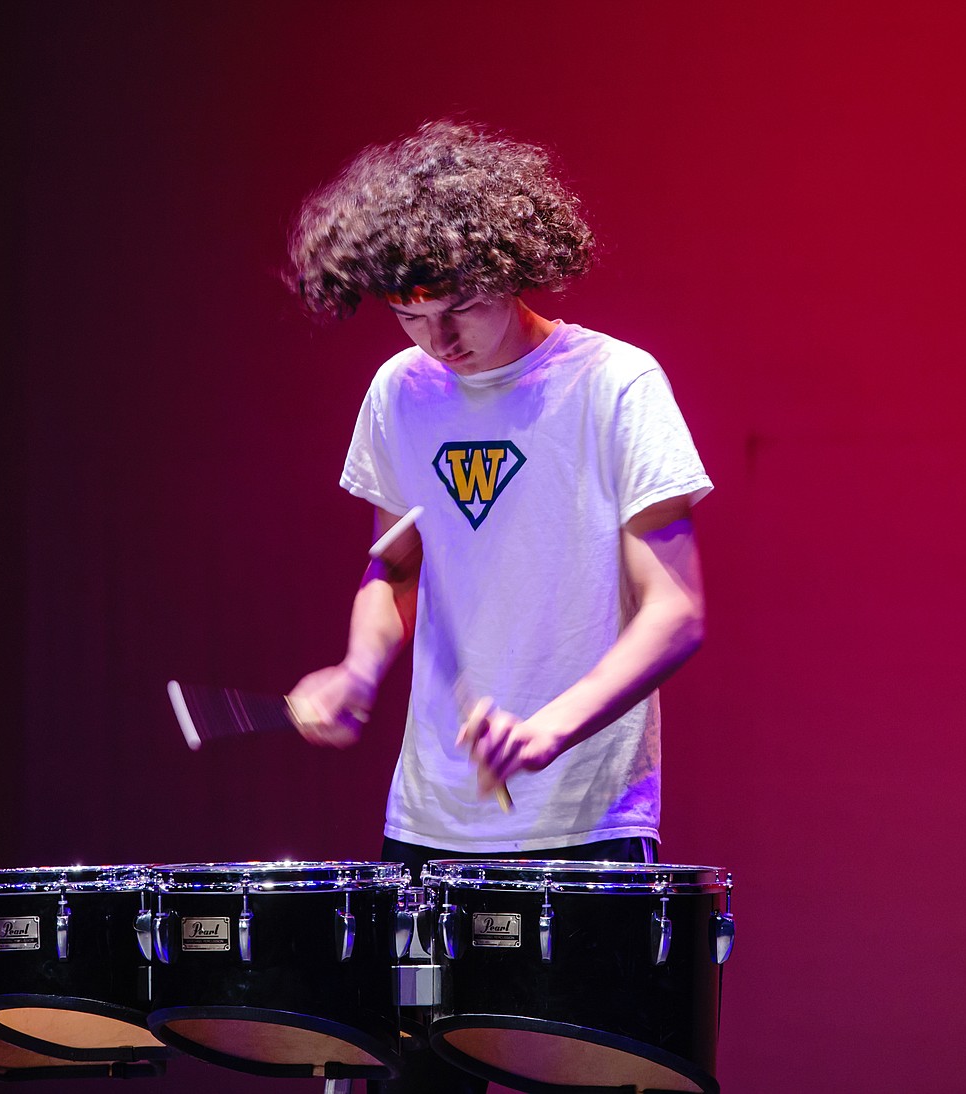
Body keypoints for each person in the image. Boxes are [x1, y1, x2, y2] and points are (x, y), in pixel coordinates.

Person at [284, 120, 711, 1092]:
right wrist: (358, 667)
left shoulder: (614, 386)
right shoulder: (401, 395)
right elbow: (398, 566)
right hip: (430, 827)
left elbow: (676, 608)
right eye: (408, 314)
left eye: (462, 309)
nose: (438, 341)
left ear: (516, 267)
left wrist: (551, 725)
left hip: (587, 827)